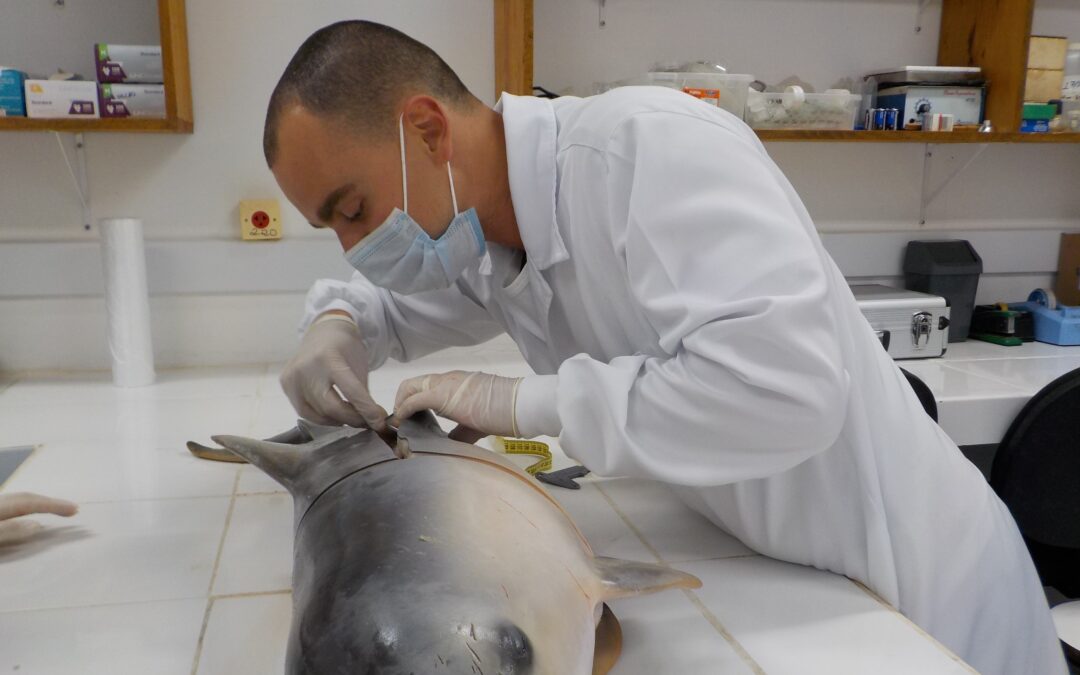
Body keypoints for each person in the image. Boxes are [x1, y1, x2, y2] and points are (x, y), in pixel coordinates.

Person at [263, 20, 1066, 675]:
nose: (354, 245)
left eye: (355, 209)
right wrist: (336, 325)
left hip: (929, 594)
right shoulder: (488, 240)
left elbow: (787, 390)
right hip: (805, 573)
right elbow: (390, 306)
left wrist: (521, 402)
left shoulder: (647, 153)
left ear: (427, 130)